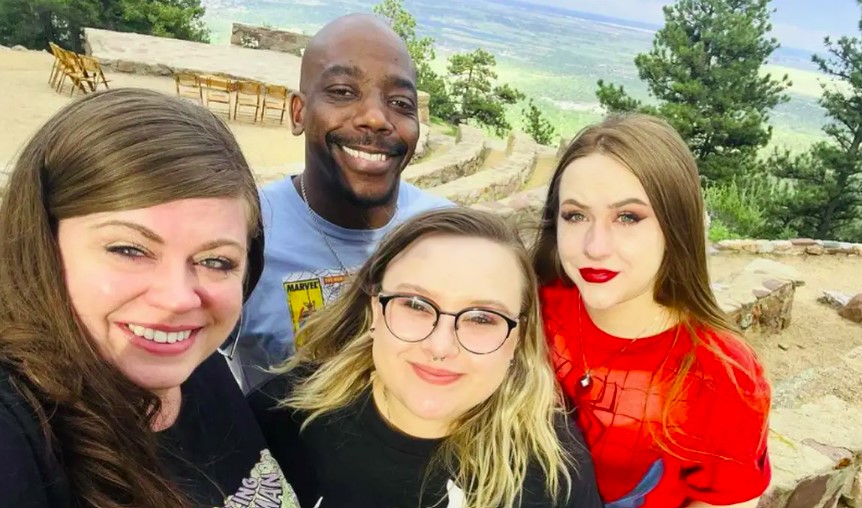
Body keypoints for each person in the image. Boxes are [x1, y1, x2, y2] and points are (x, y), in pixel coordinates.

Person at [0, 89, 298, 507]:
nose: (178, 299)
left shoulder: (197, 364)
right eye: (129, 250)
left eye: (215, 261)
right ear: (42, 245)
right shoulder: (18, 432)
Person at [248, 208, 604, 508]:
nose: (440, 346)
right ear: (375, 310)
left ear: (517, 338)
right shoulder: (279, 419)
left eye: (482, 318)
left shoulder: (555, 471)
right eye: (416, 305)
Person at [532, 114, 772, 508]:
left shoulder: (721, 374)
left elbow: (724, 501)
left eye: (627, 217)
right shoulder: (533, 304)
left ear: (676, 226)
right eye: (575, 215)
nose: (595, 247)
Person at [230, 13, 451, 392]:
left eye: (400, 102)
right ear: (298, 112)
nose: (376, 118)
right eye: (343, 92)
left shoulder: (445, 235)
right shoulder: (245, 235)